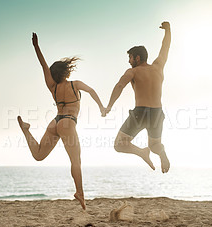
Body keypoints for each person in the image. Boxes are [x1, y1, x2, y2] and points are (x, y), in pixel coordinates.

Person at [18, 33, 106, 210]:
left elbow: (43, 65)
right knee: (76, 161)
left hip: (55, 122)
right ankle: (79, 192)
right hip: (67, 122)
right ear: (67, 72)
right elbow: (91, 91)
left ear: (54, 74)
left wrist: (36, 46)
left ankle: (26, 130)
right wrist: (101, 107)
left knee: (38, 155)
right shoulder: (76, 84)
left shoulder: (53, 87)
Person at [103, 21, 171, 173]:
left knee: (119, 145)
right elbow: (165, 48)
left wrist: (109, 106)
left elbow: (120, 86)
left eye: (131, 57)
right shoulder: (158, 66)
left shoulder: (133, 71)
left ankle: (141, 152)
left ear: (138, 58)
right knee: (154, 145)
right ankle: (161, 152)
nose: (129, 60)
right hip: (157, 113)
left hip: (141, 112)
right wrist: (168, 30)